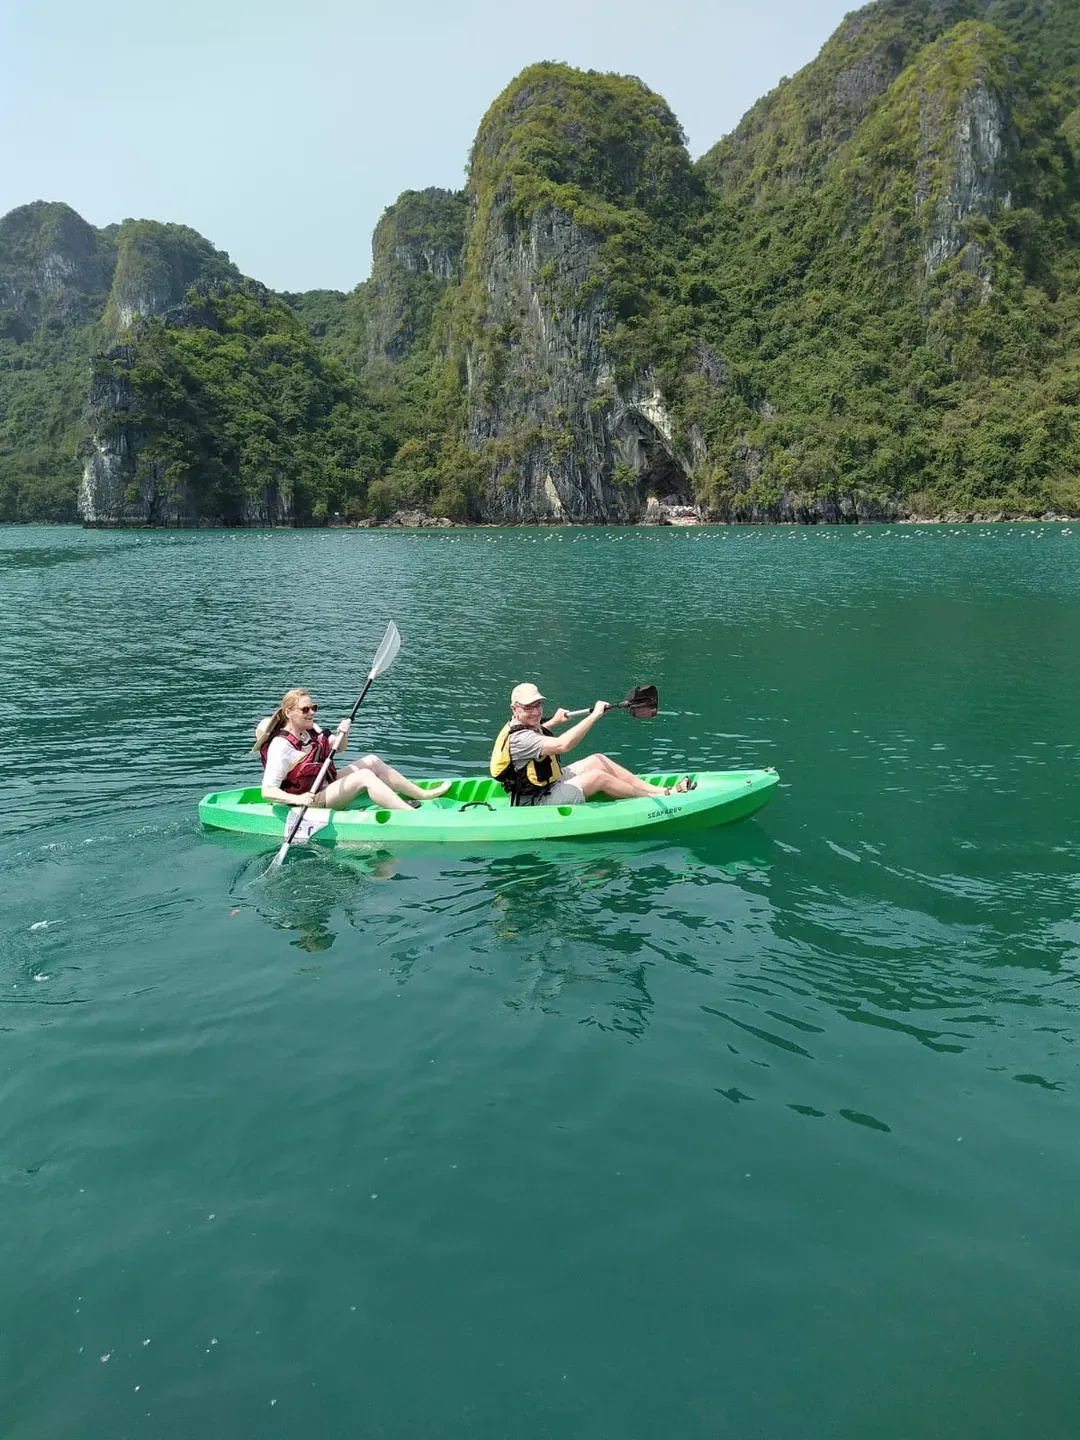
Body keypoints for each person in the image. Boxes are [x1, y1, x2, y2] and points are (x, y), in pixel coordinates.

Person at [490, 682, 694, 806]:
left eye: (538, 705)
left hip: (550, 782)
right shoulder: (520, 739)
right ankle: (656, 798)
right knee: (598, 778)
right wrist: (594, 716)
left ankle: (657, 790)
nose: (535, 712)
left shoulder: (523, 724)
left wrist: (554, 721)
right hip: (536, 801)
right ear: (514, 709)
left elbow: (539, 734)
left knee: (598, 760)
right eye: (528, 708)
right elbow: (563, 745)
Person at [255, 688, 450, 813]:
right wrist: (297, 798)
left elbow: (339, 748)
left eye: (313, 707)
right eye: (305, 710)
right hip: (310, 798)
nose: (312, 712)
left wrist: (343, 732)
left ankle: (422, 794)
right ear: (288, 713)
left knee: (372, 761)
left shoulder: (311, 730)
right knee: (364, 776)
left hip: (326, 784)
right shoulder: (281, 746)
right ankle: (410, 815)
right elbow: (267, 791)